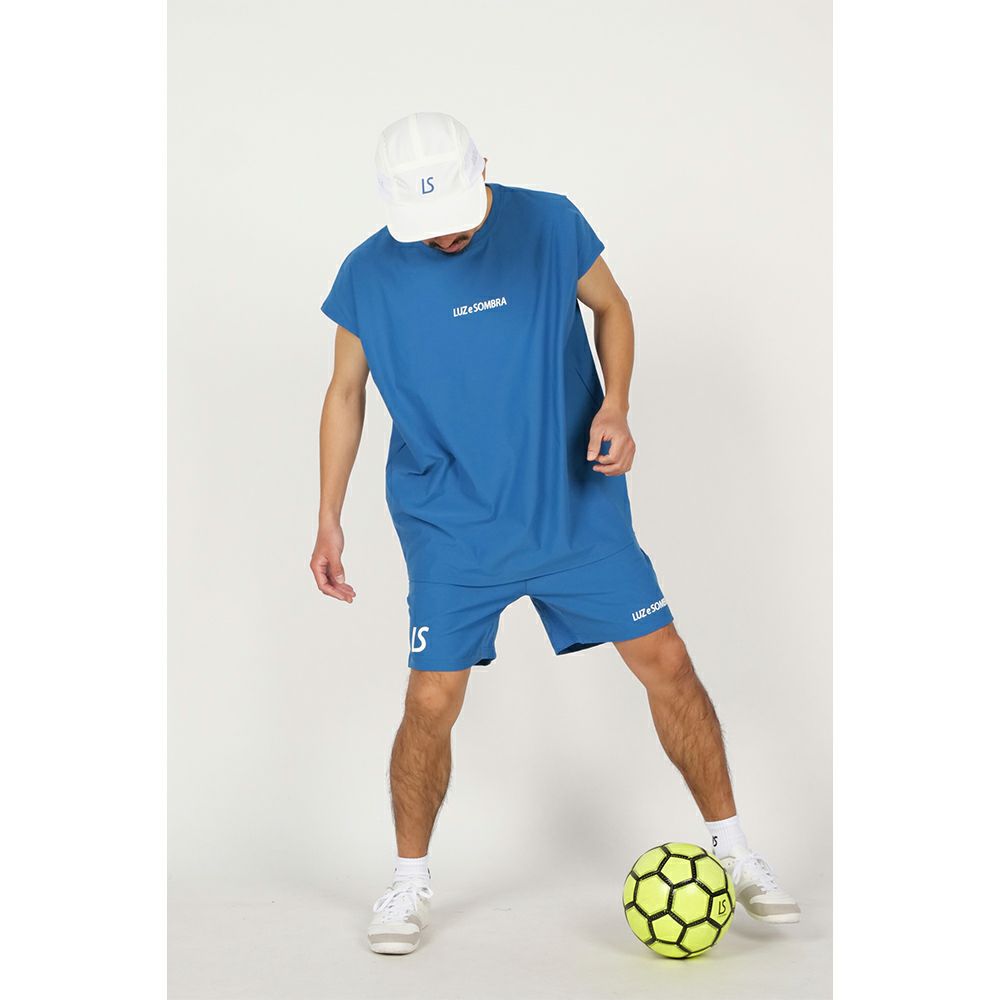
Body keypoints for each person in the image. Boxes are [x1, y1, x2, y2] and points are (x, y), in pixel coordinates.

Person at [312, 112, 800, 955]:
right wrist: (328, 513)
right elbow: (345, 392)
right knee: (431, 699)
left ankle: (735, 848)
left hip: (572, 499)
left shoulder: (549, 220)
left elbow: (612, 307)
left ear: (483, 170)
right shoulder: (365, 273)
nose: (448, 235)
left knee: (667, 662)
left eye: (456, 214)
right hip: (453, 521)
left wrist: (617, 404)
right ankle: (408, 880)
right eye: (427, 224)